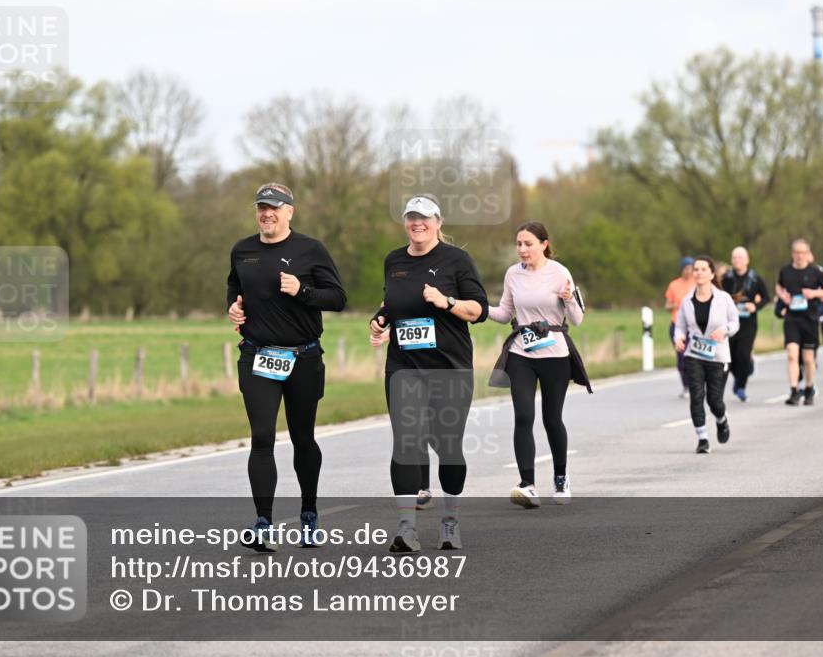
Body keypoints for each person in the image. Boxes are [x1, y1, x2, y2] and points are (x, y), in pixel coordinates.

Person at [227, 183, 347, 552]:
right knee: (262, 437)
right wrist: (233, 307)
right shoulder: (242, 250)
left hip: (303, 358)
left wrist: (303, 291)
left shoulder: (310, 249)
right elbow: (235, 288)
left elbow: (339, 299)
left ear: (290, 212)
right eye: (262, 208)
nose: (268, 214)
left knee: (302, 438)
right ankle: (263, 523)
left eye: (275, 208)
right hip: (258, 355)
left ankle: (309, 515)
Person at [369, 194, 488, 552]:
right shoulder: (394, 261)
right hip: (404, 367)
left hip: (450, 368)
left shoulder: (457, 260)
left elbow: (478, 310)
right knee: (405, 444)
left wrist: (447, 302)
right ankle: (407, 528)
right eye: (410, 217)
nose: (416, 223)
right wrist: (379, 321)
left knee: (448, 447)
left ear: (438, 222)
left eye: (423, 217)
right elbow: (391, 304)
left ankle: (450, 523)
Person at [485, 222, 591, 508]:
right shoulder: (512, 274)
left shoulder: (560, 273)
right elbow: (504, 312)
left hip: (555, 353)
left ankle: (561, 477)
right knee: (523, 416)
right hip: (522, 353)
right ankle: (528, 484)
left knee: (552, 419)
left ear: (544, 244)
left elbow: (578, 320)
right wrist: (478, 308)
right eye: (518, 244)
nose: (522, 249)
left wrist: (569, 301)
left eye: (528, 244)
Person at [673, 256, 740, 454]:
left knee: (714, 400)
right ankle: (702, 438)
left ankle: (721, 419)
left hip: (718, 355)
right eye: (696, 269)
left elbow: (735, 322)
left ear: (712, 274)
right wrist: (679, 338)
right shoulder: (687, 301)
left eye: (703, 269)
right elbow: (680, 327)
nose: (699, 272)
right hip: (694, 353)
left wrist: (724, 330)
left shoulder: (723, 299)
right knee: (696, 395)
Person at [775, 238, 823, 406]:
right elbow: (778, 286)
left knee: (808, 359)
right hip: (792, 319)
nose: (800, 256)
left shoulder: (816, 273)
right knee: (792, 354)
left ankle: (808, 388)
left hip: (810, 320)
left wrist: (814, 294)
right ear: (792, 254)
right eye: (797, 252)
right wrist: (782, 295)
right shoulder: (785, 271)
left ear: (808, 254)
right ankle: (794, 391)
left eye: (803, 252)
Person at [720, 247, 770, 401]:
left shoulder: (755, 278)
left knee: (743, 355)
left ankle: (741, 386)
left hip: (748, 323)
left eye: (740, 257)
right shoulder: (726, 279)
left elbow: (766, 297)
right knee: (731, 357)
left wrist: (755, 306)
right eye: (734, 258)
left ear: (747, 260)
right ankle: (742, 373)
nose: (737, 261)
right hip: (730, 322)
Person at [665, 257, 696, 398]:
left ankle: (696, 384)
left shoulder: (698, 283)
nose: (688, 271)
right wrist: (678, 304)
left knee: (694, 358)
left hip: (694, 326)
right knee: (682, 358)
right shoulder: (674, 285)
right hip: (677, 325)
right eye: (686, 268)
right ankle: (686, 386)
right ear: (682, 269)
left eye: (691, 268)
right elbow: (667, 305)